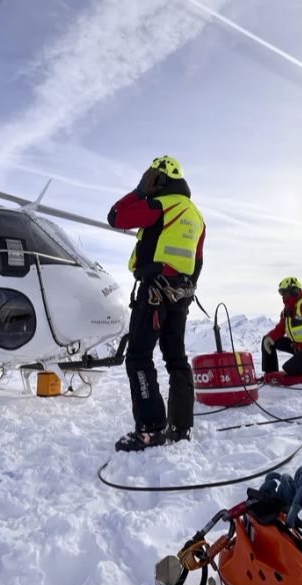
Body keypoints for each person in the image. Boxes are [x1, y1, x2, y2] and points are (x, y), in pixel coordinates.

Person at [107, 155, 206, 452]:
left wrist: (138, 192)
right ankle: (181, 425)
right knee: (176, 358)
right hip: (180, 294)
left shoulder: (161, 205)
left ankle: (150, 429)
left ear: (158, 179)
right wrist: (185, 291)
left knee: (138, 356)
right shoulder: (197, 215)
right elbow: (198, 261)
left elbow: (116, 217)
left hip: (155, 291)